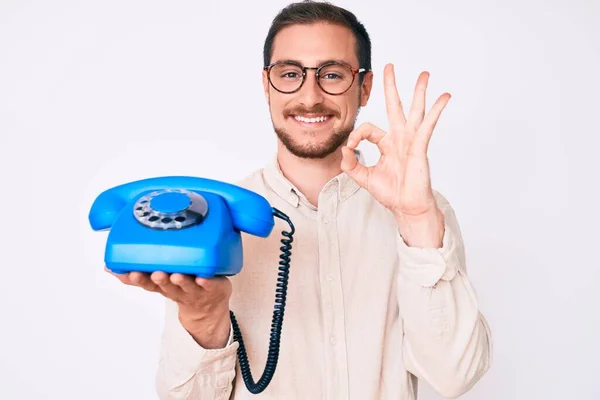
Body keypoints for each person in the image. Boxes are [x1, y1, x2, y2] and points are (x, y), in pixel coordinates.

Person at [107, 1, 493, 398]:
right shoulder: (214, 221)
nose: (310, 96)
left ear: (364, 88)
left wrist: (416, 220)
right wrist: (203, 318)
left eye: (332, 74)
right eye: (290, 74)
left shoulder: (425, 214)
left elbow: (454, 377)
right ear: (266, 84)